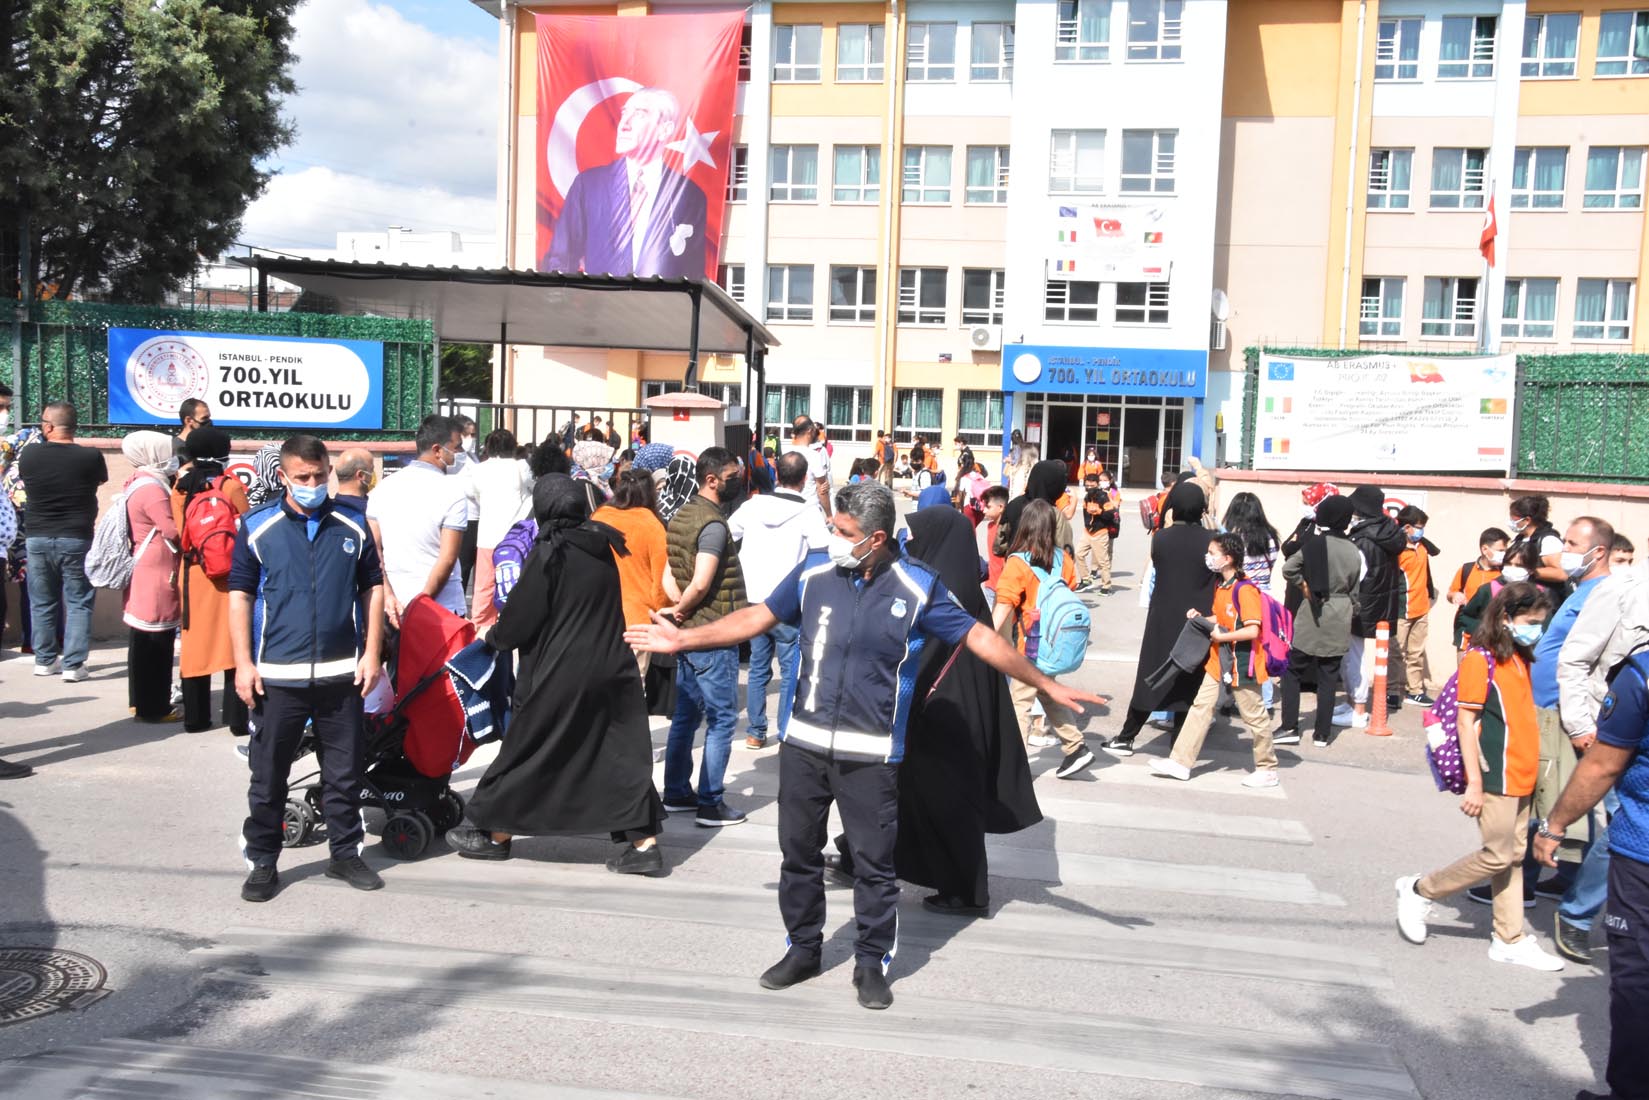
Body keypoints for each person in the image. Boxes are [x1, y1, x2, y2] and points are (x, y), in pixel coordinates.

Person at [626, 481, 1103, 1010]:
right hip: (805, 747)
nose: (832, 537)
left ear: (875, 538)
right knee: (798, 856)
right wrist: (683, 637)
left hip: (872, 756)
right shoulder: (813, 574)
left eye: (843, 531)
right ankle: (803, 948)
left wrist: (1045, 684)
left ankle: (871, 962)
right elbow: (756, 617)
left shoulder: (918, 586)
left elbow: (982, 637)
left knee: (875, 867)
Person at [826, 493, 1043, 916]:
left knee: (940, 806)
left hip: (943, 728)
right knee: (898, 798)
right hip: (942, 723)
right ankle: (859, 857)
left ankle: (965, 890)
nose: (910, 542)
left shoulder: (939, 597)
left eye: (917, 536)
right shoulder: (962, 592)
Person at [446, 475, 666, 874]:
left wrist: (493, 637)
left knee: (531, 748)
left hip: (558, 671)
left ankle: (495, 835)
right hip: (611, 667)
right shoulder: (604, 545)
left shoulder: (549, 552)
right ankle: (644, 845)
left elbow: (519, 620)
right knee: (617, 755)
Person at [231, 434, 386, 903]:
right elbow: (238, 595)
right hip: (278, 676)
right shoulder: (257, 527)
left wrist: (373, 652)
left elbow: (373, 588)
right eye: (302, 477)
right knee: (269, 776)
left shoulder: (353, 525)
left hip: (343, 675)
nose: (312, 484)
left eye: (319, 475)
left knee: (344, 774)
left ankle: (345, 853)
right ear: (283, 476)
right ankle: (262, 861)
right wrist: (242, 663)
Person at [1395, 582, 1565, 972]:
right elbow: (1466, 721)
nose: (1536, 629)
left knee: (1513, 859)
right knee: (1497, 855)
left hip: (1522, 773)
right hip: (1496, 776)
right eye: (1530, 621)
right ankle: (1421, 890)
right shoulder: (1479, 659)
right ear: (1506, 619)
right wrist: (1474, 782)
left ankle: (1508, 937)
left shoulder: (1519, 658)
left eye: (1540, 622)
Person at [1535, 632, 1649, 1100]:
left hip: (1643, 856)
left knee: (1638, 977)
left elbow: (1602, 765)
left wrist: (1555, 824)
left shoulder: (1642, 674)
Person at [1147, 532, 1280, 788]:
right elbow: (1223, 619)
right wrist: (1203, 618)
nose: (1208, 557)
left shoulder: (1245, 590)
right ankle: (1180, 762)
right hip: (1219, 661)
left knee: (1254, 716)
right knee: (1201, 707)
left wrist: (1222, 636)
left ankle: (1267, 768)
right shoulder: (1223, 586)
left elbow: (1253, 630)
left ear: (1228, 558)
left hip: (1243, 663)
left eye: (1212, 553)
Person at [661, 447, 749, 826]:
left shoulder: (681, 516)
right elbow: (701, 581)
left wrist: (678, 608)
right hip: (714, 634)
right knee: (722, 719)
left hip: (688, 634)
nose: (738, 482)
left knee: (685, 717)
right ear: (711, 479)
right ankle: (711, 803)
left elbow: (668, 576)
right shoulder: (713, 525)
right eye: (732, 477)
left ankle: (677, 792)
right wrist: (685, 607)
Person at [1102, 481, 1219, 757]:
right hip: (1198, 620)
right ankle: (1178, 744)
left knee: (1150, 676)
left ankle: (1127, 736)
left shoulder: (1162, 539)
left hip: (1163, 617)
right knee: (1188, 679)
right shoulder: (1211, 541)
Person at [543, 87, 708, 278]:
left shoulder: (689, 196)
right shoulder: (589, 186)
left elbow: (692, 276)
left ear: (665, 130)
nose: (624, 124)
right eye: (624, 113)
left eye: (639, 114)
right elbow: (561, 260)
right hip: (601, 306)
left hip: (658, 307)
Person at [729, 451, 829, 750]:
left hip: (754, 598)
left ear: (776, 475)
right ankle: (785, 729)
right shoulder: (808, 511)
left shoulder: (753, 505)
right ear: (804, 479)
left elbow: (727, 531)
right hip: (788, 601)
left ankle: (755, 732)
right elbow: (822, 550)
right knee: (789, 671)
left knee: (759, 666)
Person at [993, 500, 1096, 779]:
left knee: (1019, 702)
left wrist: (985, 638)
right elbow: (1071, 586)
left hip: (1031, 647)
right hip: (1055, 644)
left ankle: (1015, 765)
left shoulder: (1017, 564)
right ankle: (1076, 747)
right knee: (1048, 692)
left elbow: (1003, 605)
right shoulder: (1064, 560)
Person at [19, 401, 106, 682]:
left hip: (37, 538)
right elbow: (98, 481)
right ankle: (73, 665)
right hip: (76, 537)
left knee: (42, 601)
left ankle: (44, 660)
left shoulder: (30, 454)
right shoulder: (90, 457)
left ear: (48, 426)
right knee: (79, 601)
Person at [173, 428, 251, 734]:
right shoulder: (229, 486)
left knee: (195, 647)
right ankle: (236, 720)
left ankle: (196, 718)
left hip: (193, 573)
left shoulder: (180, 487)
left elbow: (180, 531)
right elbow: (246, 527)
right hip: (229, 574)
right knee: (234, 643)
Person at [1277, 495, 1361, 749]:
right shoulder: (1353, 550)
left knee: (1292, 670)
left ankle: (1290, 726)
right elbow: (1355, 589)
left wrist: (1304, 587)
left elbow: (1289, 568)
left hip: (1312, 610)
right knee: (1328, 674)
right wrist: (1349, 608)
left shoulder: (1314, 544)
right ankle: (1322, 734)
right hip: (1340, 611)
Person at [367, 415, 468, 624]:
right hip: (442, 611)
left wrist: (388, 595)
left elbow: (374, 549)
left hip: (395, 607)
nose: (459, 454)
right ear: (437, 450)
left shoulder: (383, 488)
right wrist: (421, 603)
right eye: (456, 448)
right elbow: (447, 559)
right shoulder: (452, 492)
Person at [117, 431, 182, 723]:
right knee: (157, 643)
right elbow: (171, 530)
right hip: (157, 571)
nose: (173, 458)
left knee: (141, 641)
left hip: (145, 568)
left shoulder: (138, 481)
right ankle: (155, 706)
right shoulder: (153, 490)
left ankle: (139, 702)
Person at [1338, 485, 1406, 730]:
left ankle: (1357, 709)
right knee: (1358, 656)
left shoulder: (1363, 538)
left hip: (1361, 603)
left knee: (1352, 658)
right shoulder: (1389, 531)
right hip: (1382, 602)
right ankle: (1351, 703)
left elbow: (1355, 575)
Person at [591, 470, 670, 674]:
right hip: (637, 619)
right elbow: (661, 583)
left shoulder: (599, 517)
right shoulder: (652, 525)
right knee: (633, 684)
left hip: (598, 614)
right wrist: (665, 612)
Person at [468, 429, 534, 627]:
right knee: (516, 583)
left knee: (484, 587)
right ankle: (514, 623)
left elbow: (475, 496)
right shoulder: (520, 467)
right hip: (516, 539)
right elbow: (533, 488)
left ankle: (480, 627)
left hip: (487, 536)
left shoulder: (478, 469)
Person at [1395, 505, 1441, 707]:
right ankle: (1391, 691)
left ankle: (1415, 690)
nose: (1421, 531)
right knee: (1397, 653)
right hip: (1402, 609)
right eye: (1419, 527)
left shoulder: (1422, 546)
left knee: (1416, 653)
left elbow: (1435, 551)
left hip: (1421, 608)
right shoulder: (1396, 550)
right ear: (1406, 527)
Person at [1446, 527, 1508, 649]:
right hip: (1467, 630)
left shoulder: (1505, 573)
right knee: (1464, 666)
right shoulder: (1467, 569)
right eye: (1500, 551)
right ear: (1485, 549)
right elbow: (1451, 593)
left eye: (1505, 551)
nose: (1504, 555)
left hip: (1494, 630)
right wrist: (1454, 595)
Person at [1504, 493, 1567, 602]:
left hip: (1543, 602)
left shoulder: (1548, 540)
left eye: (1514, 518)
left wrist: (1529, 571)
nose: (1511, 521)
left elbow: (1561, 574)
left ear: (1527, 520)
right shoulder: (1519, 539)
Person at [786, 416, 832, 515]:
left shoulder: (785, 453)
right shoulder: (814, 455)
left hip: (787, 508)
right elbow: (822, 489)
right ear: (810, 430)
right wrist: (829, 514)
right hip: (809, 509)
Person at [976, 484, 1009, 602]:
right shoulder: (990, 526)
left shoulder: (1008, 529)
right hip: (990, 583)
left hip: (1005, 585)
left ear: (1000, 507)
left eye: (988, 506)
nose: (984, 510)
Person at [332, 448, 376, 513]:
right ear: (361, 475)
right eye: (372, 470)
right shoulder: (372, 511)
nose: (373, 474)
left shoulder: (328, 509)